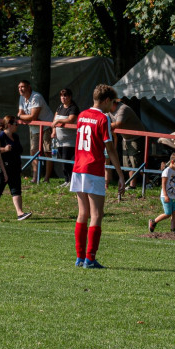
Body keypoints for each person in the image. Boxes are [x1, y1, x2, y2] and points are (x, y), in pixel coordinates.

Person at [71, 84, 126, 268]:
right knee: (97, 214)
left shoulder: (82, 115)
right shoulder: (103, 119)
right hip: (93, 169)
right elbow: (110, 148)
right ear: (105, 100)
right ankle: (90, 258)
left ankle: (80, 258)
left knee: (82, 213)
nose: (112, 106)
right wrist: (120, 174)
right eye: (112, 102)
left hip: (78, 167)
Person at [0, 115, 32, 221]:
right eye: (16, 124)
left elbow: (19, 150)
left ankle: (20, 213)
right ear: (9, 125)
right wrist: (4, 149)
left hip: (15, 167)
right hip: (3, 167)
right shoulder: (0, 136)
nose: (17, 126)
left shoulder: (16, 136)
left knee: (16, 190)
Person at [17, 80, 52, 183]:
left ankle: (46, 178)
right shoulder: (21, 98)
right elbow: (21, 113)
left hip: (46, 126)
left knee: (47, 152)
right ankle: (35, 177)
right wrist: (23, 117)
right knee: (33, 151)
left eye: (23, 87)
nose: (20, 89)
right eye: (19, 87)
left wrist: (21, 116)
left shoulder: (36, 97)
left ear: (29, 87)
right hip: (34, 127)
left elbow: (33, 116)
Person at [110, 98, 147, 189]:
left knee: (136, 163)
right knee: (128, 163)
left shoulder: (123, 109)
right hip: (125, 138)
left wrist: (101, 125)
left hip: (137, 137)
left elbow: (118, 124)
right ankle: (132, 185)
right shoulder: (108, 111)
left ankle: (148, 182)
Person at [50, 88, 79, 186]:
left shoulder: (73, 108)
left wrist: (59, 121)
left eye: (65, 95)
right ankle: (66, 180)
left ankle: (71, 181)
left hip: (69, 141)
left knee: (67, 160)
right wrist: (54, 131)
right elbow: (55, 119)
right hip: (59, 141)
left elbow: (71, 119)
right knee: (63, 161)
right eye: (62, 96)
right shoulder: (59, 107)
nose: (63, 98)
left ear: (70, 97)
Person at [148, 153, 175, 233]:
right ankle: (153, 222)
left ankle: (172, 229)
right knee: (168, 213)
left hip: (173, 195)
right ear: (172, 162)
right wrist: (165, 195)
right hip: (166, 195)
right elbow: (163, 184)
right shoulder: (166, 171)